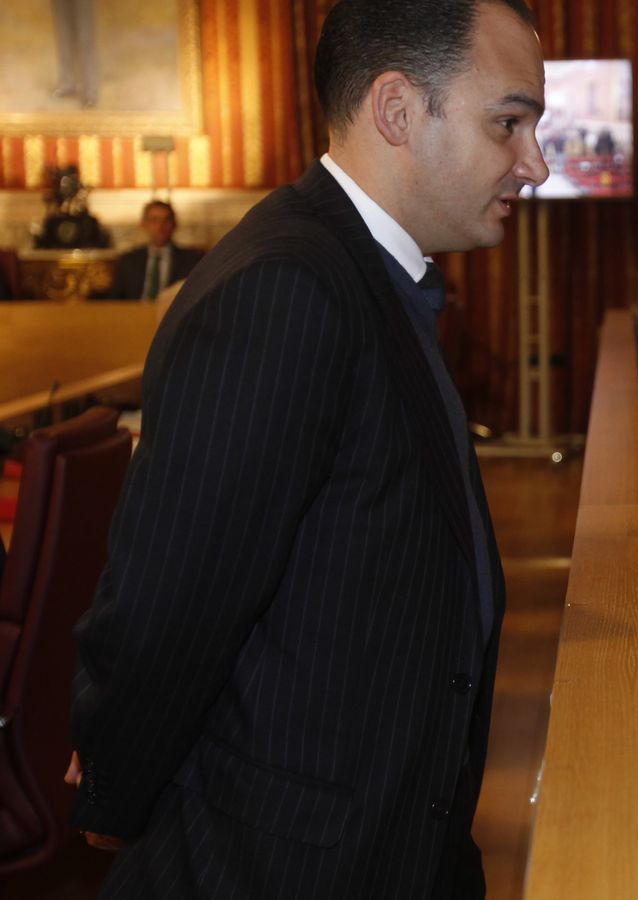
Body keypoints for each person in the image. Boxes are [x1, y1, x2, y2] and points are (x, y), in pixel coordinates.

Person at [66, 1, 548, 897]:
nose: (535, 163)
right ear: (398, 110)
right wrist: (116, 785)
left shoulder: (363, 270)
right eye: (508, 123)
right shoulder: (288, 290)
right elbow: (174, 597)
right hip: (284, 860)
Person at [103, 201, 205, 300]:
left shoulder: (191, 260)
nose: (161, 226)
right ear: (144, 224)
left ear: (174, 224)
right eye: (154, 220)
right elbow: (115, 300)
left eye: (166, 220)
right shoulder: (128, 261)